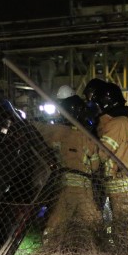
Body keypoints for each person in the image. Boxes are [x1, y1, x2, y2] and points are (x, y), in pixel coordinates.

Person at [91, 82, 128, 255]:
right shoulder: (123, 121)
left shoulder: (116, 124)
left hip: (123, 187)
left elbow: (102, 153)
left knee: (119, 230)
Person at [36, 95, 101, 241]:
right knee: (94, 223)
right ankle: (95, 251)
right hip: (84, 188)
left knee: (56, 223)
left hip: (63, 186)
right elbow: (95, 165)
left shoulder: (56, 132)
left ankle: (49, 251)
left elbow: (38, 131)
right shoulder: (85, 136)